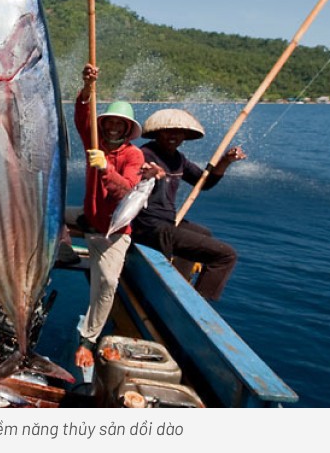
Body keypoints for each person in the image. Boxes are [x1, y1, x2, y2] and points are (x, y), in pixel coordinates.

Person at [72, 64, 164, 369]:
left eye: (119, 125)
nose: (112, 128)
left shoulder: (133, 155)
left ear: (127, 130)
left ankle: (88, 338)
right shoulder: (93, 142)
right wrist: (87, 87)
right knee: (48, 215)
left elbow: (126, 191)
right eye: (109, 122)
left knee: (108, 282)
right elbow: (82, 116)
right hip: (88, 218)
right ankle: (61, 249)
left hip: (113, 232)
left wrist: (104, 169)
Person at [131, 108, 247, 301]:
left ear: (185, 136)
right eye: (168, 131)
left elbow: (205, 183)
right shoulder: (144, 154)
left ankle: (178, 282)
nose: (173, 136)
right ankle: (197, 304)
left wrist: (225, 161)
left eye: (179, 132)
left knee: (203, 234)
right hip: (148, 226)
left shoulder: (178, 159)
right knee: (226, 256)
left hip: (166, 222)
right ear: (158, 132)